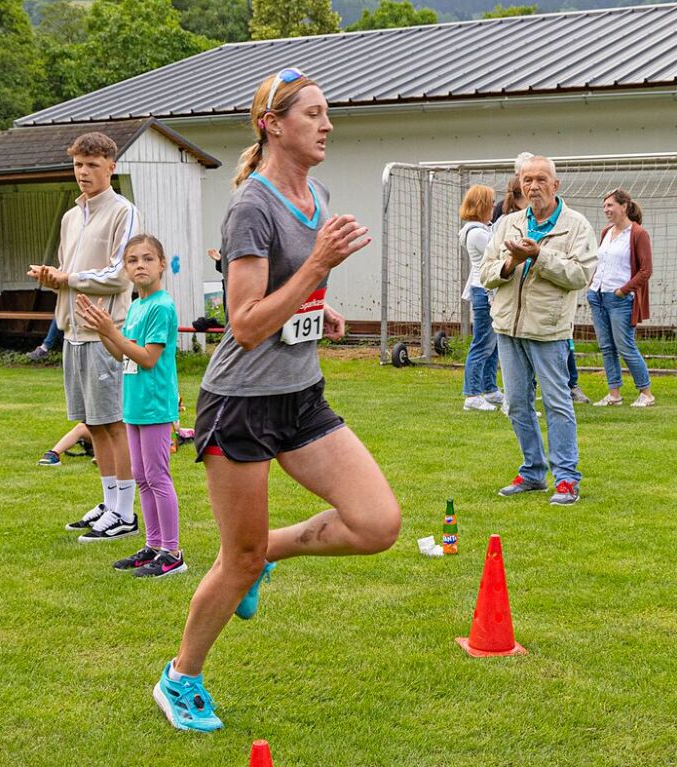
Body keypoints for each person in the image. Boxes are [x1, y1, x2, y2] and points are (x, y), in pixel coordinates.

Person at [153, 68, 401, 732]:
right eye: (313, 114)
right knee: (235, 556)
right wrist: (317, 268)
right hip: (240, 404)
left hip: (301, 396)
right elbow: (243, 323)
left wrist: (324, 307)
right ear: (272, 124)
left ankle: (270, 551)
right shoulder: (251, 207)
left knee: (377, 523)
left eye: (327, 114)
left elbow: (289, 299)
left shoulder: (315, 192)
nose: (326, 125)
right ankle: (180, 677)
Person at [27, 131, 140, 541]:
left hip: (106, 333)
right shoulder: (71, 217)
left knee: (114, 423)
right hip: (73, 330)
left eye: (92, 165)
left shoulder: (124, 211)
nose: (83, 172)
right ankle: (109, 504)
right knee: (93, 424)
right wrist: (53, 279)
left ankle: (126, 514)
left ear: (111, 167)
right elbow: (69, 276)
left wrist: (69, 278)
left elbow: (119, 274)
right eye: (78, 165)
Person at [479, 155, 597, 506]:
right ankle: (533, 472)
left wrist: (539, 257)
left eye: (541, 179)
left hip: (548, 329)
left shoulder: (576, 226)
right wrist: (511, 262)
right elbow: (485, 272)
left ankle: (566, 479)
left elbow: (581, 275)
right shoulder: (508, 223)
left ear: (556, 185)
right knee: (516, 404)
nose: (533, 186)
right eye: (527, 180)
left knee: (558, 404)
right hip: (508, 327)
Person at [77, 234, 186, 578]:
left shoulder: (160, 306)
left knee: (158, 477)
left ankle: (173, 552)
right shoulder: (136, 306)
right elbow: (123, 354)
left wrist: (113, 330)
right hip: (134, 404)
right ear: (125, 268)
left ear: (162, 264)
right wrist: (104, 332)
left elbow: (149, 359)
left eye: (147, 259)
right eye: (133, 260)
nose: (140, 265)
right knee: (141, 477)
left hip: (154, 404)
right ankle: (153, 546)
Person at [588, 188, 655, 407]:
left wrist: (623, 290)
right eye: (604, 206)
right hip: (598, 295)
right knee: (607, 347)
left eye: (610, 205)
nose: (606, 210)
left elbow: (645, 271)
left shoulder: (638, 234)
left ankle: (646, 393)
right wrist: (591, 286)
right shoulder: (607, 232)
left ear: (623, 207)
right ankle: (614, 393)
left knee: (625, 346)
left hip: (619, 299)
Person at [459, 184, 502, 412]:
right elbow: (498, 256)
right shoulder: (476, 233)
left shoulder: (484, 229)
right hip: (484, 290)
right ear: (482, 205)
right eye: (491, 201)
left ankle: (490, 389)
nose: (494, 205)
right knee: (482, 342)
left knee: (492, 344)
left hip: (486, 289)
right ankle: (472, 394)